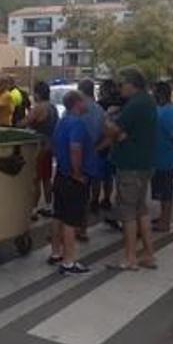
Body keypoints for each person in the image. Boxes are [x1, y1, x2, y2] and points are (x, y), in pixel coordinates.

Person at [104, 66, 158, 271]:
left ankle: (130, 257)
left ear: (132, 84)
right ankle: (148, 254)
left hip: (131, 166)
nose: (119, 88)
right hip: (144, 163)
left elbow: (114, 131)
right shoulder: (147, 101)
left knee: (127, 212)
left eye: (122, 84)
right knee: (140, 209)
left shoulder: (135, 105)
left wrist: (108, 117)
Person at [49, 90, 97, 275]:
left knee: (58, 215)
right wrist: (77, 173)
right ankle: (69, 262)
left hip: (61, 174)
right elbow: (75, 148)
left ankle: (55, 253)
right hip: (72, 178)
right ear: (77, 103)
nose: (87, 103)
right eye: (84, 101)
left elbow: (54, 145)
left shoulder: (62, 121)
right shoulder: (77, 124)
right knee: (71, 220)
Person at [22, 81, 59, 218]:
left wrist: (19, 122)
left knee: (35, 178)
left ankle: (33, 208)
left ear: (37, 93)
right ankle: (49, 205)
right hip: (50, 146)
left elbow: (25, 122)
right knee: (46, 178)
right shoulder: (53, 107)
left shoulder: (39, 108)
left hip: (39, 147)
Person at [151, 81, 173, 233]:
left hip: (166, 158)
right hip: (157, 157)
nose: (152, 94)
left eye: (154, 92)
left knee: (166, 190)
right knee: (161, 190)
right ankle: (162, 215)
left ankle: (165, 221)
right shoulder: (159, 109)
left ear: (161, 94)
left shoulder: (170, 112)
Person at [76, 78, 105, 240]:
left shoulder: (77, 109)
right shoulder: (100, 110)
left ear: (80, 90)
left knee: (74, 195)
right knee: (85, 194)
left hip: (77, 154)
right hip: (92, 155)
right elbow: (106, 133)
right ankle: (83, 228)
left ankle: (73, 228)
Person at [94, 78, 124, 214]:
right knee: (109, 177)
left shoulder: (100, 105)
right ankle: (107, 199)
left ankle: (94, 199)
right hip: (116, 145)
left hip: (102, 143)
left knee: (96, 176)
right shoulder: (122, 104)